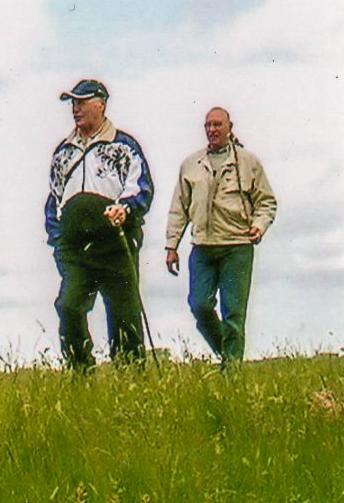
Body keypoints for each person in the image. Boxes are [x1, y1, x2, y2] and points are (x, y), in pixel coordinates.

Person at [45, 79, 154, 370]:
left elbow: (141, 188)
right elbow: (53, 201)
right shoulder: (63, 152)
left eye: (81, 102)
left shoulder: (123, 145)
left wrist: (126, 209)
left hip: (115, 243)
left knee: (123, 315)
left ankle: (130, 378)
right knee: (68, 307)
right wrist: (57, 241)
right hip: (75, 248)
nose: (75, 109)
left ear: (101, 104)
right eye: (72, 103)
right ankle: (81, 372)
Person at [164, 107, 276, 366]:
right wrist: (171, 246)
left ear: (229, 127)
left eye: (217, 125)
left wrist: (259, 226)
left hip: (237, 246)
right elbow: (179, 207)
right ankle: (227, 356)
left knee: (233, 314)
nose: (212, 130)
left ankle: (232, 374)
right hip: (202, 246)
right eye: (208, 125)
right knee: (199, 305)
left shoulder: (248, 162)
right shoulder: (191, 164)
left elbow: (266, 201)